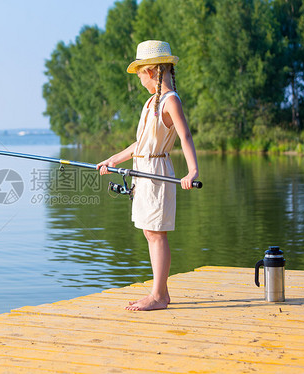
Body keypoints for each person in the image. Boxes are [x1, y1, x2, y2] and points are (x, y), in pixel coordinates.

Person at [96, 40, 199, 311]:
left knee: (157, 233)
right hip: (143, 171)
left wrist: (193, 171)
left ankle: (157, 296)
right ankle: (160, 293)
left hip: (157, 172)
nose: (139, 78)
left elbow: (185, 135)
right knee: (149, 231)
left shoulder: (170, 101)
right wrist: (112, 160)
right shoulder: (149, 103)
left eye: (140, 72)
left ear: (151, 71)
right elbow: (139, 144)